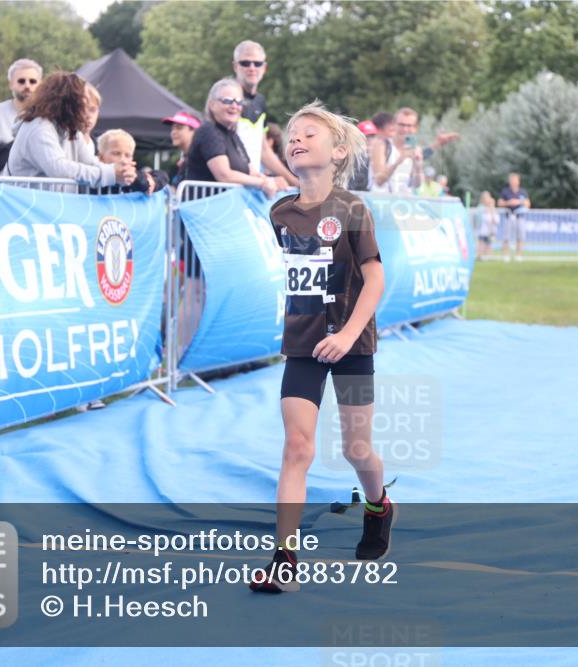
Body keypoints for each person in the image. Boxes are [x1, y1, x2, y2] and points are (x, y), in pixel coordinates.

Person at [249, 102, 391, 594]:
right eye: (292, 135)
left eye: (310, 134)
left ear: (338, 153)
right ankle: (284, 561)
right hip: (305, 345)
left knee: (357, 448)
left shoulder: (352, 208)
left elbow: (375, 277)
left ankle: (378, 506)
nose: (297, 140)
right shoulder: (280, 212)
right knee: (297, 447)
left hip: (352, 343)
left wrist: (349, 334)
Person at [6, 72, 135, 188]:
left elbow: (90, 163)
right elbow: (59, 169)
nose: (85, 112)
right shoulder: (39, 128)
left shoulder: (69, 129)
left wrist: (123, 172)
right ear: (67, 103)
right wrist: (111, 174)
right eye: (81, 104)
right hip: (28, 208)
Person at [183, 78, 278, 198]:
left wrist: (270, 181)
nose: (234, 106)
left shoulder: (233, 134)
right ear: (212, 105)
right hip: (205, 209)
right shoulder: (208, 131)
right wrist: (262, 183)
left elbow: (251, 171)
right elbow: (224, 175)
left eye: (239, 102)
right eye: (227, 101)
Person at [231, 40, 297, 188]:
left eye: (257, 63)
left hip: (252, 185)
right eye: (245, 63)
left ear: (265, 67)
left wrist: (295, 182)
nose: (252, 68)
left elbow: (264, 151)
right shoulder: (227, 98)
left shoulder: (260, 101)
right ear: (235, 66)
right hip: (230, 185)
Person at [371, 107, 458, 194]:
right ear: (394, 125)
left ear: (415, 128)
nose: (405, 129)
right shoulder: (382, 144)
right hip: (379, 201)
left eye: (409, 126)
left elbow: (417, 185)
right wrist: (398, 161)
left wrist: (418, 167)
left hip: (401, 203)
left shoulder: (414, 149)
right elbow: (379, 181)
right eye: (401, 124)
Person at [96, 129, 154, 195]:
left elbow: (161, 176)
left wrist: (138, 179)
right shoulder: (87, 178)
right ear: (100, 157)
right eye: (116, 153)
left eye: (128, 155)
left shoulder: (134, 181)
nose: (123, 160)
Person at [498, 172, 531, 261]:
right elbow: (500, 203)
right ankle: (505, 255)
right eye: (512, 180)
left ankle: (518, 255)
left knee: (520, 236)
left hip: (520, 217)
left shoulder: (523, 192)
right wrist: (509, 202)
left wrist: (519, 202)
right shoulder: (505, 191)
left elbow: (528, 204)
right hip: (509, 216)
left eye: (515, 180)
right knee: (506, 236)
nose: (513, 182)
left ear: (518, 181)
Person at [162, 110, 200, 185]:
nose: (173, 132)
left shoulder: (202, 157)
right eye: (172, 128)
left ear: (194, 131)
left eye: (179, 128)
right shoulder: (184, 157)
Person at [474, 191, 499, 261]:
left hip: (490, 230)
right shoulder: (480, 208)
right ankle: (480, 255)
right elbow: (481, 219)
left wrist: (491, 208)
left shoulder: (492, 208)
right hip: (482, 229)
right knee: (481, 242)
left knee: (489, 242)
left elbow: (495, 219)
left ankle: (487, 256)